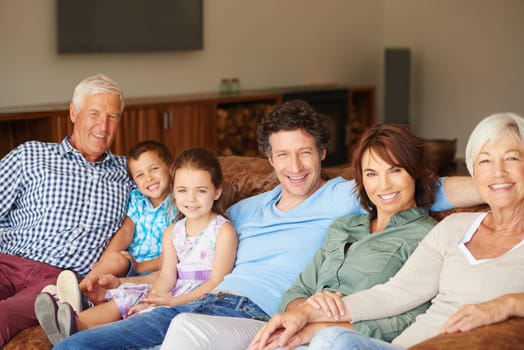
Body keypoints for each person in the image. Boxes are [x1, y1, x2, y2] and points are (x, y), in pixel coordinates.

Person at [53, 100, 482, 350]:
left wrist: (499, 182)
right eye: (282, 155)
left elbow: (425, 186)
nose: (294, 167)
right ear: (269, 159)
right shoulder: (243, 210)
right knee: (76, 347)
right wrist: (125, 269)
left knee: (173, 331)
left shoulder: (343, 196)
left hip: (257, 315)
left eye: (305, 153)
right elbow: (188, 252)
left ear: (322, 152)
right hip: (204, 300)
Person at [258, 113, 524, 350]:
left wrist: (507, 304)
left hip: (371, 338)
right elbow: (394, 294)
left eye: (511, 158)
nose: (498, 171)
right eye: (485, 161)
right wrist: (307, 314)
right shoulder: (453, 228)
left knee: (330, 341)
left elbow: (405, 313)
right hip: (399, 344)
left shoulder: (421, 230)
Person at [246, 124, 438, 349]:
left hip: (350, 341)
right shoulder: (344, 226)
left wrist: (320, 325)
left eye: (395, 170)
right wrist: (305, 309)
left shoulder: (429, 235)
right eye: (371, 174)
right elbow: (296, 291)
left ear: (415, 172)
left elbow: (412, 318)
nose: (384, 185)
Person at [36, 147, 238, 345]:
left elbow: (216, 282)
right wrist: (149, 301)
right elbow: (167, 277)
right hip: (171, 290)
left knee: (140, 303)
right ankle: (74, 325)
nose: (191, 199)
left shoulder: (222, 231)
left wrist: (174, 302)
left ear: (217, 191)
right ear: (174, 192)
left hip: (199, 298)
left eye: (201, 190)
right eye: (182, 190)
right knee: (131, 295)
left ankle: (77, 332)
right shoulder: (172, 232)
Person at [0, 74, 132, 347]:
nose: (103, 126)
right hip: (8, 261)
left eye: (112, 116)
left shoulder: (130, 174)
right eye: (94, 113)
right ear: (74, 112)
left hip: (58, 281)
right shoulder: (31, 156)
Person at [39, 140, 176, 316]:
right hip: (132, 262)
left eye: (154, 169)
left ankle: (81, 301)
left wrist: (140, 266)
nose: (148, 178)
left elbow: (173, 253)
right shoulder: (137, 199)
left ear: (171, 168)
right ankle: (78, 292)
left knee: (124, 277)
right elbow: (126, 232)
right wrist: (104, 261)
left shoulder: (178, 203)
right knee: (115, 259)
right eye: (140, 175)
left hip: (159, 268)